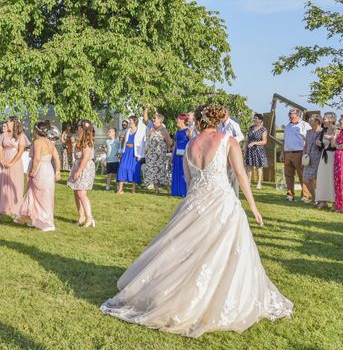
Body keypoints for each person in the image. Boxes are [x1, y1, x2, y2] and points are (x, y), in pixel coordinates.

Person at [100, 104, 293, 337]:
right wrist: (252, 206)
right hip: (222, 202)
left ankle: (175, 292)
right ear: (219, 119)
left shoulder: (191, 144)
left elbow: (190, 180)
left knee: (185, 250)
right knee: (223, 251)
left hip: (195, 202)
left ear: (200, 120)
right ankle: (208, 299)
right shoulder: (227, 141)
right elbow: (241, 175)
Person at [15, 121, 61, 231]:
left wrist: (33, 171)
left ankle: (46, 222)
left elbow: (37, 158)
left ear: (37, 131)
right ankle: (34, 218)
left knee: (40, 196)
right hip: (49, 169)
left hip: (41, 170)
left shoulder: (38, 142)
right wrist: (57, 171)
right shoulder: (50, 143)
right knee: (42, 195)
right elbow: (57, 158)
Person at [0, 117, 30, 216]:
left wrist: (11, 163)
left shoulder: (21, 136)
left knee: (13, 181)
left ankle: (14, 207)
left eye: (9, 122)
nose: (7, 123)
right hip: (3, 159)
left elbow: (20, 151)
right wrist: (1, 160)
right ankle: (1, 206)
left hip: (15, 161)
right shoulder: (3, 135)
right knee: (2, 183)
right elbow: (0, 148)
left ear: (14, 123)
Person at [67, 120, 96, 227]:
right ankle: (81, 216)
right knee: (76, 191)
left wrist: (78, 171)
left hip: (85, 167)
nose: (77, 128)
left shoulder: (87, 141)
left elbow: (85, 158)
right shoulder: (80, 140)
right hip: (78, 165)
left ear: (83, 128)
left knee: (81, 193)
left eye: (78, 126)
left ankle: (89, 217)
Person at [280, 108, 311, 202]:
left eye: (291, 113)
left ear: (298, 115)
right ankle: (290, 195)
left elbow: (309, 140)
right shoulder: (288, 126)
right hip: (288, 153)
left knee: (302, 175)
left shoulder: (305, 125)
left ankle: (305, 196)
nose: (289, 115)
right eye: (289, 113)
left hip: (300, 152)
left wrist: (306, 153)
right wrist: (282, 152)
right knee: (288, 175)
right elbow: (285, 140)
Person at [117, 108, 148, 195]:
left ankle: (133, 190)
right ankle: (120, 189)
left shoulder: (141, 131)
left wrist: (140, 155)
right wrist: (120, 151)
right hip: (126, 152)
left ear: (134, 121)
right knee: (122, 168)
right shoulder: (127, 131)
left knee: (133, 169)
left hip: (135, 153)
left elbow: (142, 144)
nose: (129, 122)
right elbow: (123, 141)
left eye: (130, 120)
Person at [142, 110, 173, 193]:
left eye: (155, 118)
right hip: (151, 155)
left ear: (160, 120)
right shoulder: (152, 129)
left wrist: (169, 148)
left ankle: (168, 188)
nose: (153, 120)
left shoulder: (163, 130)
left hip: (159, 155)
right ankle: (156, 190)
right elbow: (147, 139)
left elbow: (169, 142)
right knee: (153, 172)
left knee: (161, 172)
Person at [314, 112, 337, 210]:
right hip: (324, 157)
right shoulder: (324, 131)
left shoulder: (336, 130)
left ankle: (334, 202)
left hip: (333, 156)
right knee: (322, 178)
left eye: (325, 118)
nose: (323, 119)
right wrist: (319, 144)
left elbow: (335, 145)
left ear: (331, 119)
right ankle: (323, 201)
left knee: (331, 178)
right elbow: (323, 145)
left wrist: (332, 138)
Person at [302, 115, 323, 203]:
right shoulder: (309, 132)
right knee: (305, 178)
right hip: (308, 158)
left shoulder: (323, 132)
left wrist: (321, 144)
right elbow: (306, 145)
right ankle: (315, 196)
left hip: (319, 158)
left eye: (311, 120)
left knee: (318, 179)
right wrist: (303, 156)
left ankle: (319, 199)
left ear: (317, 122)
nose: (309, 121)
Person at [244, 113, 268, 190]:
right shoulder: (251, 128)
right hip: (249, 150)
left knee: (259, 167)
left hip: (258, 150)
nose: (254, 119)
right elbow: (247, 140)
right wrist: (245, 149)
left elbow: (264, 142)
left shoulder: (263, 129)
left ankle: (259, 183)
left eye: (256, 118)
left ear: (260, 120)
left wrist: (254, 143)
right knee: (249, 166)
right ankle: (248, 182)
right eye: (254, 118)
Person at [171, 114, 192, 197]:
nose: (177, 120)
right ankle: (176, 191)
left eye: (178, 119)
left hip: (184, 153)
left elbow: (191, 142)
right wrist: (173, 155)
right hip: (177, 153)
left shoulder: (188, 130)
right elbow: (175, 143)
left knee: (184, 172)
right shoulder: (177, 131)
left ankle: (184, 192)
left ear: (183, 120)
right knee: (176, 171)